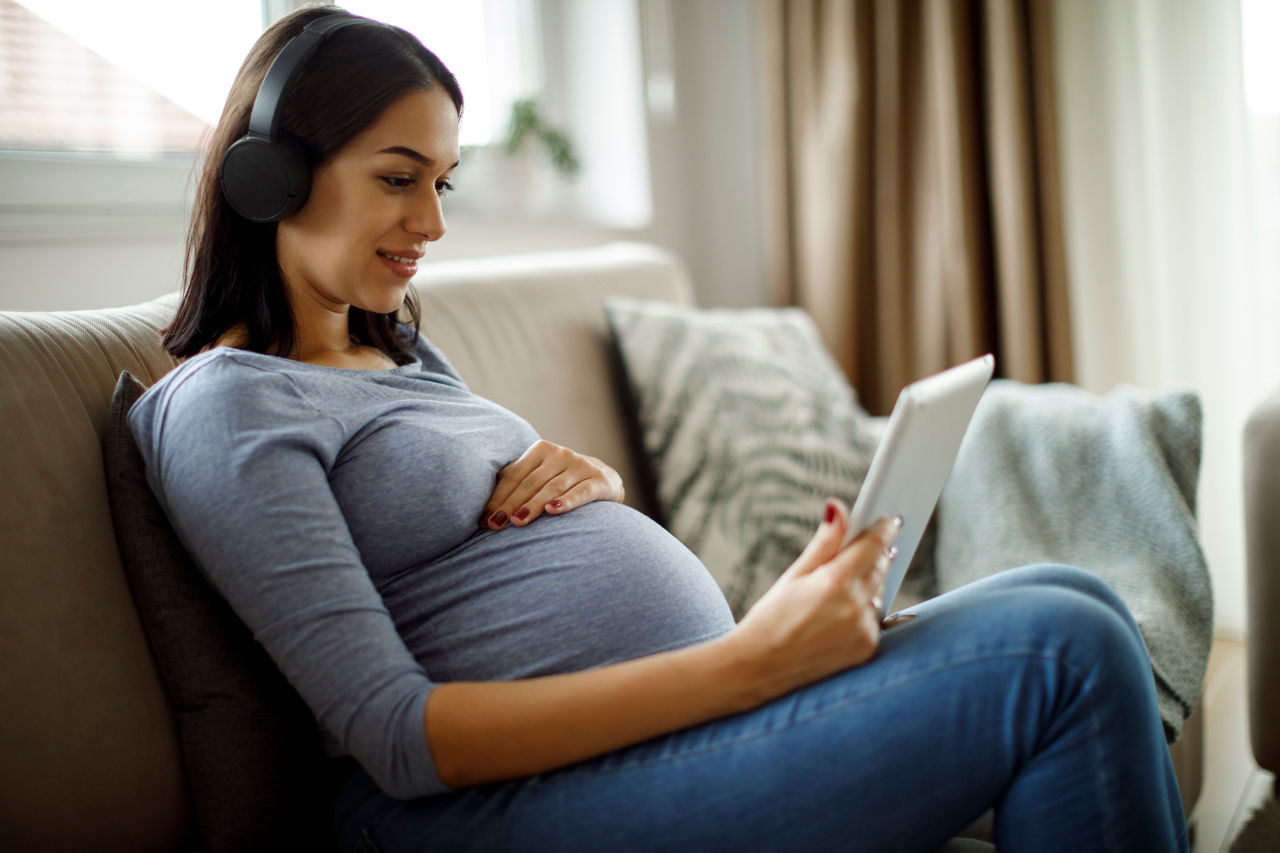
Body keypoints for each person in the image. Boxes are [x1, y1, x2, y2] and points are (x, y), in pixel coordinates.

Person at [129, 6, 1189, 851]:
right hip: (451, 815)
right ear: (268, 177)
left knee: (1075, 593)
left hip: (661, 745)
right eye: (398, 180)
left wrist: (593, 483)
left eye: (441, 182)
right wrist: (755, 663)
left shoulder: (400, 350)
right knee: (1064, 648)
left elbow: (491, 546)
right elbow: (399, 740)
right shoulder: (229, 405)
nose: (434, 222)